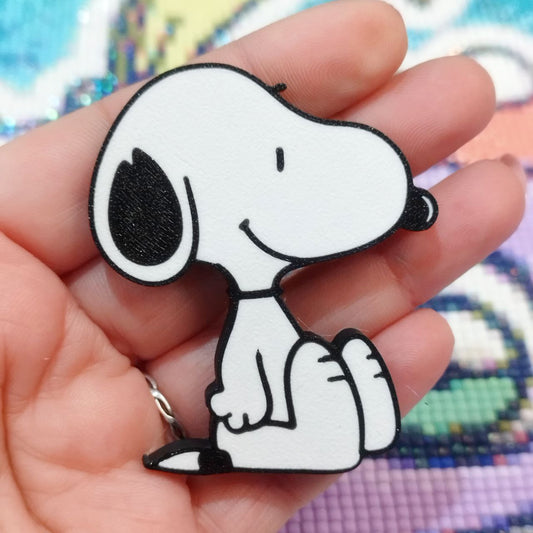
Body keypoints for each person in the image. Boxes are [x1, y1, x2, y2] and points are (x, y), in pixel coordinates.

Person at [0, 1, 525, 531]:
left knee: (301, 372)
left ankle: (304, 433)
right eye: (277, 159)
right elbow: (253, 361)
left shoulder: (260, 316)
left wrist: (393, 203)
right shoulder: (248, 313)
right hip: (278, 414)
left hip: (306, 413)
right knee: (272, 387)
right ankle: (269, 439)